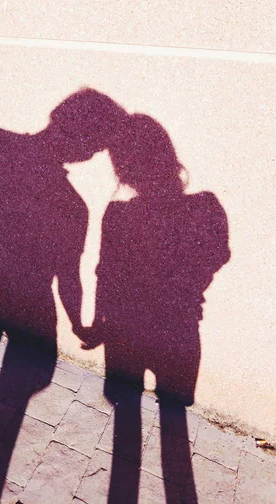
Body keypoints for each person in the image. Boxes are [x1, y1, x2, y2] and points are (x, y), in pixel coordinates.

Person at [0, 88, 128, 504]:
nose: (93, 154)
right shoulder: (72, 205)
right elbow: (69, 279)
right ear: (86, 147)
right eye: (97, 145)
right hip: (30, 312)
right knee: (3, 411)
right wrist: (80, 324)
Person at [82, 113, 230, 503]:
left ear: (123, 170)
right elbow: (220, 254)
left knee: (125, 435)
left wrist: (97, 326)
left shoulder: (118, 217)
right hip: (179, 333)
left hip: (125, 334)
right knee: (175, 431)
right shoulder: (207, 208)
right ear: (169, 156)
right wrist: (189, 282)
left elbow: (106, 277)